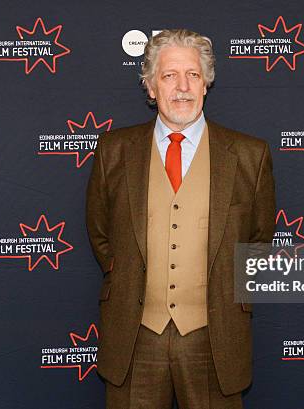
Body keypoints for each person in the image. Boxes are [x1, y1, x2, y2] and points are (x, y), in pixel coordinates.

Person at [86, 28, 276, 409]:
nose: (182, 87)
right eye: (169, 75)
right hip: (135, 337)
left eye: (192, 74)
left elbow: (257, 240)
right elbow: (101, 233)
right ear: (151, 87)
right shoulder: (114, 150)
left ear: (207, 83)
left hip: (214, 337)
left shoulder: (249, 155)